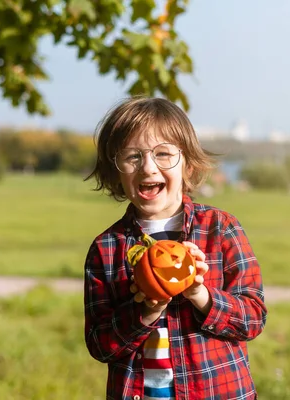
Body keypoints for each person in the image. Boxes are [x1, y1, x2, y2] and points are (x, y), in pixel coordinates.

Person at [83, 96, 267, 400]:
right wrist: (145, 311)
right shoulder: (106, 249)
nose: (148, 168)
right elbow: (99, 344)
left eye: (164, 154)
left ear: (188, 164)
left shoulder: (221, 229)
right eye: (132, 157)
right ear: (116, 170)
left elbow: (252, 318)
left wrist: (200, 294)